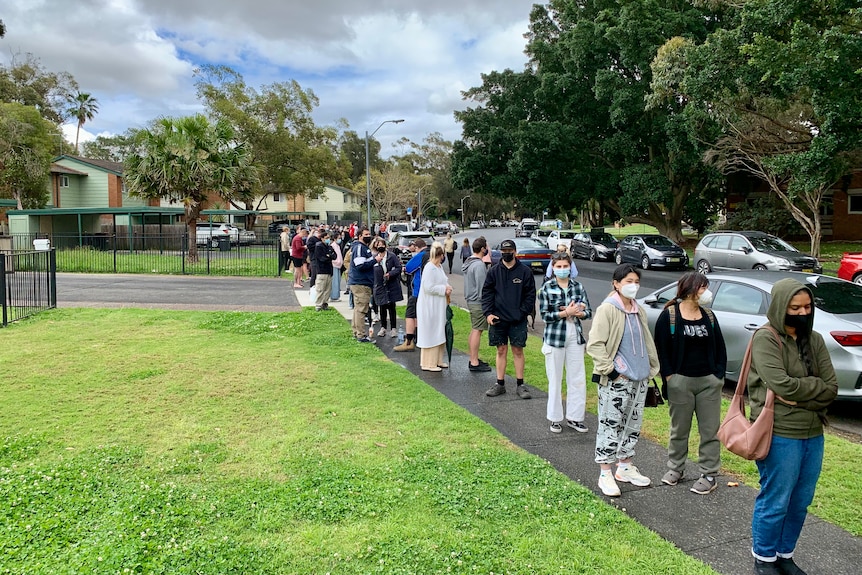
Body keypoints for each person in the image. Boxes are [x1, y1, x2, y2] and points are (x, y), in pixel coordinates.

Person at [748, 278, 837, 575]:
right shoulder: (765, 338)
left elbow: (832, 388)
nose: (802, 312)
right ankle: (764, 558)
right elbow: (779, 384)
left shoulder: (815, 340)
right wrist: (814, 389)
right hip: (780, 433)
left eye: (807, 307)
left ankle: (784, 554)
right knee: (776, 500)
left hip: (813, 433)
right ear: (779, 307)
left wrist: (801, 398)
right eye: (794, 307)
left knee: (800, 501)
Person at [586, 264, 660, 497]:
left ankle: (625, 466)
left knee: (632, 424)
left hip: (639, 379)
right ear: (616, 284)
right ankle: (605, 472)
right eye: (628, 281)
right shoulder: (608, 309)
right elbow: (596, 344)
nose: (633, 285)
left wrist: (649, 369)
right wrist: (612, 371)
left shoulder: (638, 310)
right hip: (617, 380)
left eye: (636, 281)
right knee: (610, 424)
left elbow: (645, 341)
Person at [653, 271, 727, 495]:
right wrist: (670, 378)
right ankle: (675, 468)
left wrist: (718, 376)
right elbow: (662, 350)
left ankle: (709, 473)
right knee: (679, 429)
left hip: (708, 382)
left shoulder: (709, 316)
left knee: (710, 430)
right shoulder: (669, 316)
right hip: (680, 382)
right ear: (691, 290)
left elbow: (720, 348)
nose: (707, 292)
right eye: (703, 288)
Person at [539, 252, 592, 434]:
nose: (562, 270)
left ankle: (575, 417)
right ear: (553, 268)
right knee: (555, 378)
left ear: (571, 267)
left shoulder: (578, 287)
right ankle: (554, 418)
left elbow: (588, 311)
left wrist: (579, 313)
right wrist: (565, 313)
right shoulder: (547, 288)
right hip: (555, 338)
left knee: (577, 378)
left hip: (574, 336)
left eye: (565, 266)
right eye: (559, 266)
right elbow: (545, 315)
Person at [481, 239, 536, 399]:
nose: (507, 254)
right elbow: (487, 293)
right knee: (501, 350)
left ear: (515, 251)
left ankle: (520, 385)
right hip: (498, 319)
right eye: (504, 251)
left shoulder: (525, 272)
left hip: (518, 319)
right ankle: (500, 383)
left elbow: (530, 296)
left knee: (518, 350)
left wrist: (522, 313)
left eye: (509, 251)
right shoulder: (494, 271)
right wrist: (488, 313)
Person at [417, 242, 452, 371]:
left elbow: (443, 280)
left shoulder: (439, 267)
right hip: (429, 306)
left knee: (439, 330)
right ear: (441, 255)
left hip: (439, 305)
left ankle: (438, 360)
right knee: (431, 331)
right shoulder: (429, 268)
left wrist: (447, 287)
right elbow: (428, 287)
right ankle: (428, 363)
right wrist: (443, 289)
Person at [462, 237, 492, 372]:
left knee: (475, 329)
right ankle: (474, 362)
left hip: (470, 299)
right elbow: (482, 288)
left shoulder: (469, 262)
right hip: (477, 302)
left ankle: (473, 358)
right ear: (482, 249)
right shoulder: (479, 265)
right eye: (486, 248)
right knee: (477, 330)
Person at [394, 239, 430, 352]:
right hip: (428, 292)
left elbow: (409, 268)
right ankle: (420, 338)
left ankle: (409, 341)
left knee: (410, 315)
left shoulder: (420, 256)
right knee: (421, 316)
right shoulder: (432, 255)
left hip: (417, 291)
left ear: (416, 247)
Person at [372, 237, 403, 338]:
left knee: (392, 307)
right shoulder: (374, 257)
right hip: (380, 285)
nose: (380, 246)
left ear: (385, 245)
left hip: (391, 284)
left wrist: (390, 274)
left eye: (382, 244)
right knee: (382, 306)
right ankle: (383, 327)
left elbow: (398, 268)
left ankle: (393, 328)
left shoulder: (392, 256)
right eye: (378, 245)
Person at [348, 226, 375, 342]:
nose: (369, 236)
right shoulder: (359, 247)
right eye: (366, 234)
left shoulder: (362, 247)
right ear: (360, 236)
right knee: (361, 309)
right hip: (360, 282)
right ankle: (361, 335)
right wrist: (375, 260)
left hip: (361, 282)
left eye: (369, 234)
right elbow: (360, 265)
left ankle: (356, 331)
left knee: (357, 308)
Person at [312, 230, 336, 311]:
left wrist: (329, 256)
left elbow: (334, 256)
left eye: (329, 238)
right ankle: (318, 305)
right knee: (320, 289)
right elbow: (322, 258)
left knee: (328, 289)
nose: (328, 239)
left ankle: (325, 304)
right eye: (326, 238)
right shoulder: (319, 246)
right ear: (322, 238)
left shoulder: (329, 247)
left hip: (329, 270)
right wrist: (329, 256)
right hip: (322, 270)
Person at [329, 231, 344, 302]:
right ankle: (334, 296)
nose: (340, 239)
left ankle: (336, 295)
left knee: (337, 281)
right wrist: (337, 261)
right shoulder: (333, 246)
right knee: (335, 281)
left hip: (338, 265)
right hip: (335, 265)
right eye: (338, 238)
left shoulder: (337, 246)